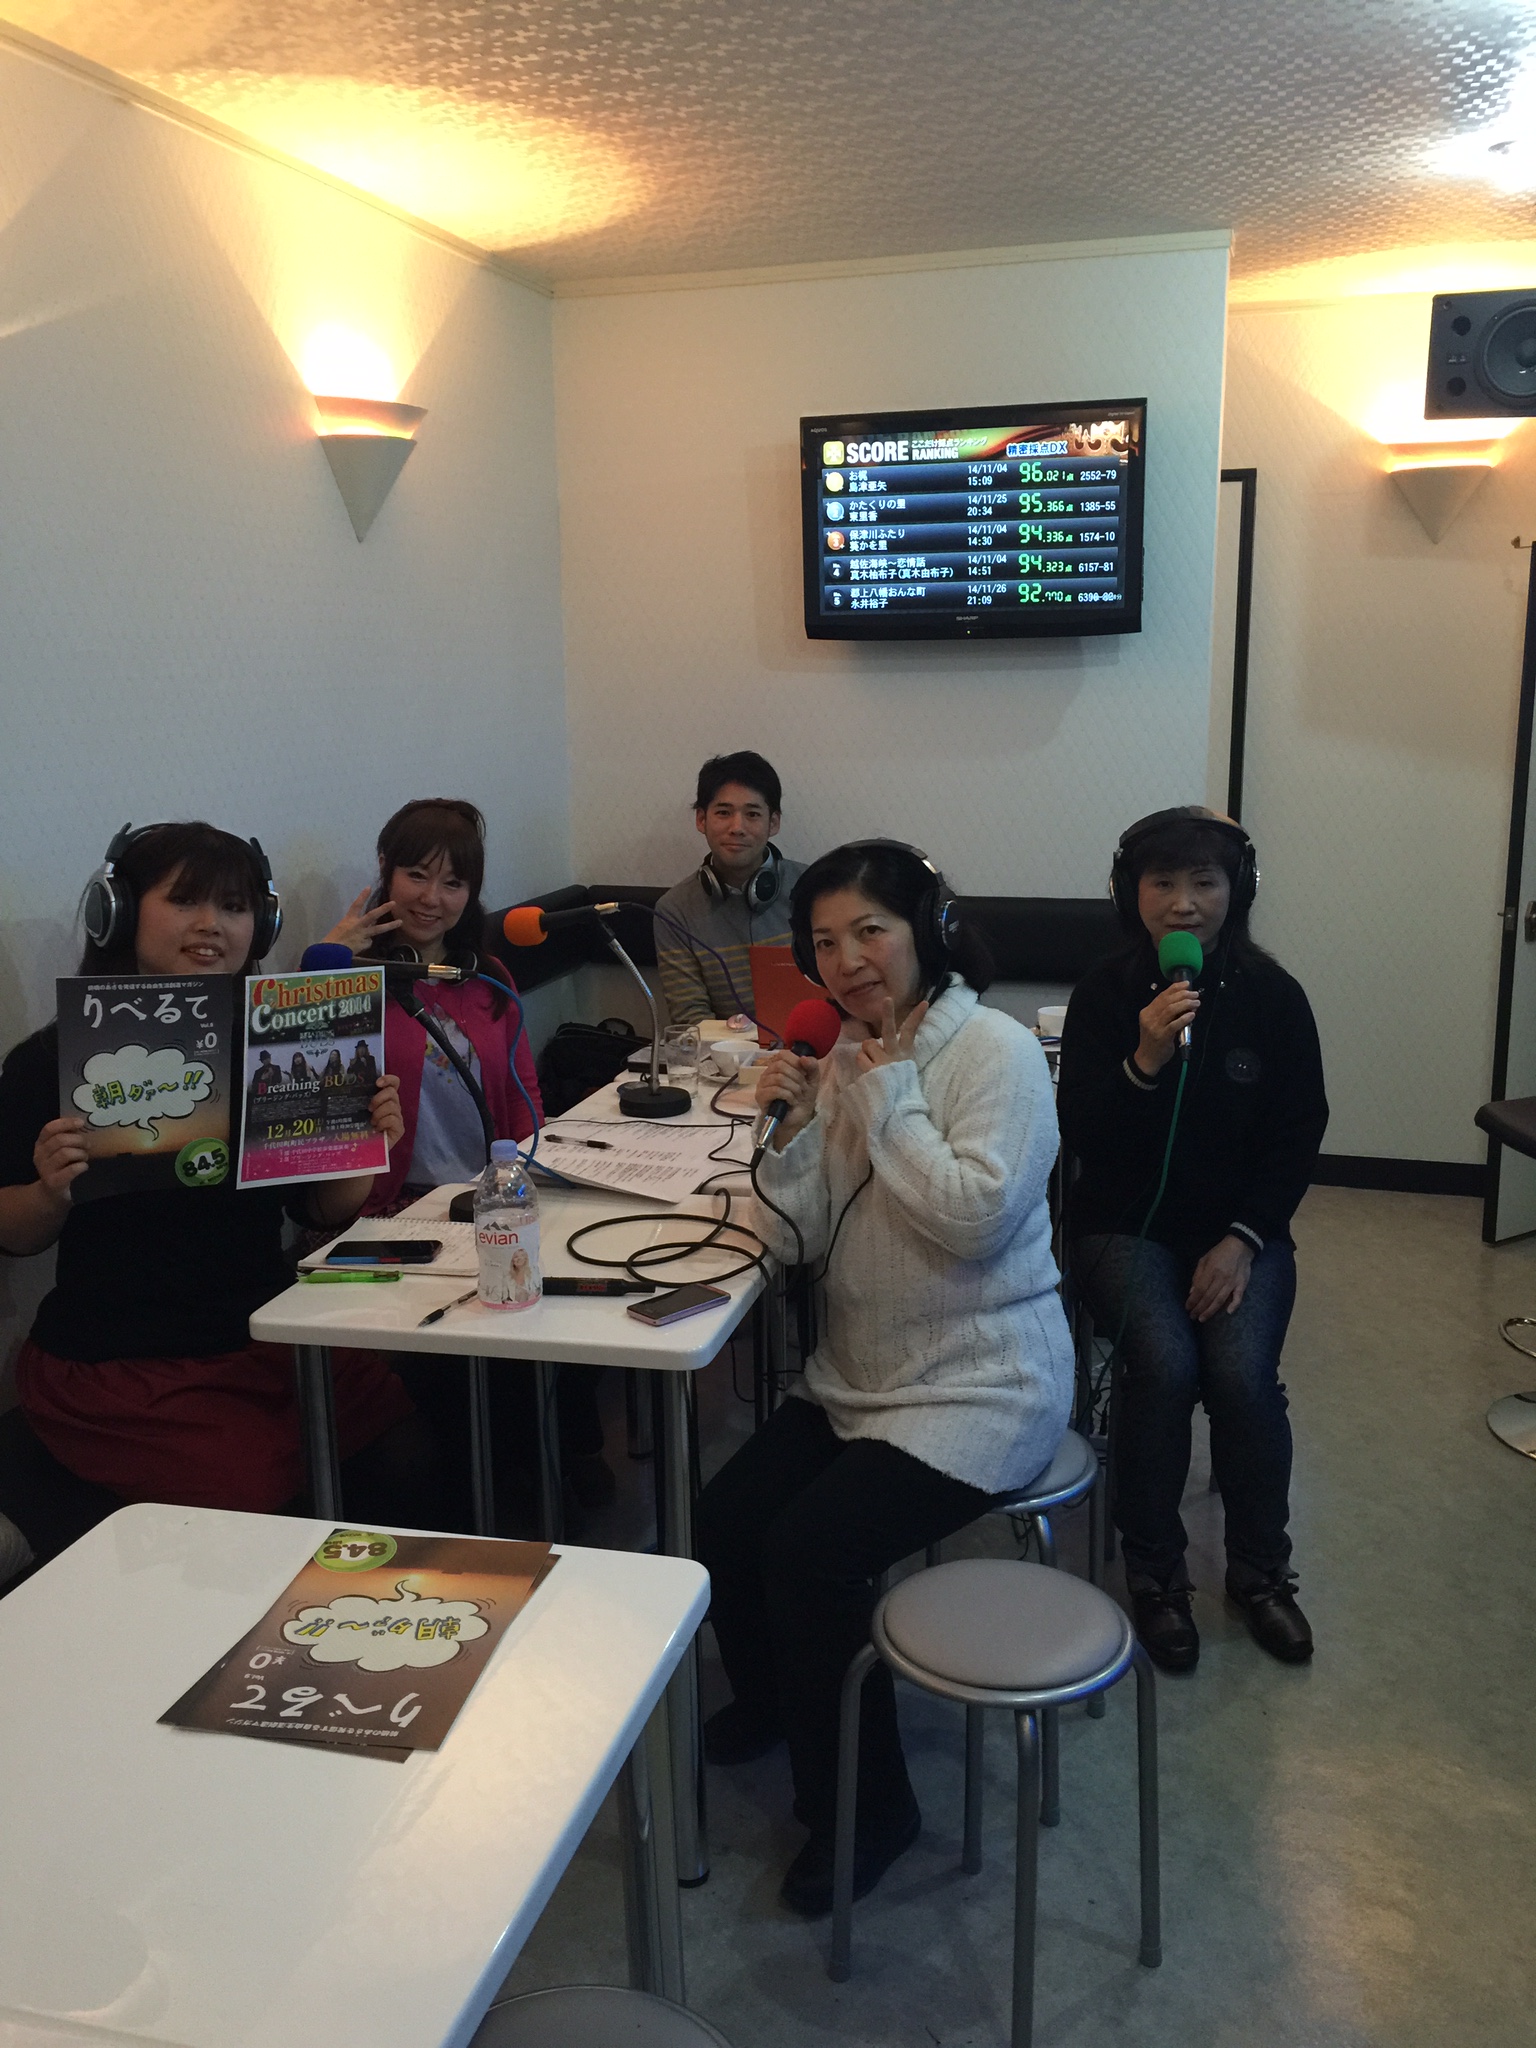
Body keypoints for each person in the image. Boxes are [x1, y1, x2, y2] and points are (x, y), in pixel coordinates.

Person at [695, 840, 1072, 1917]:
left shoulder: (994, 1052)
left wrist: (887, 1095)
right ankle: (782, 1701)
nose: (847, 958)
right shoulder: (854, 1054)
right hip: (864, 1375)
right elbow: (800, 1239)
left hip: (982, 1386)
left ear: (929, 930)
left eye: (870, 930)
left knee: (810, 1555)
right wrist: (789, 1130)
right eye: (824, 941)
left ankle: (871, 1810)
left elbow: (972, 1219)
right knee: (727, 1517)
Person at [0, 822, 435, 1562]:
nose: (212, 925)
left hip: (263, 1334)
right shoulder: (49, 1059)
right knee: (254, 1502)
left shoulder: (282, 1041)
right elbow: (15, 1235)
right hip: (119, 1364)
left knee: (406, 1445)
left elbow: (318, 1209)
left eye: (234, 907)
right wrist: (50, 1189)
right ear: (118, 912)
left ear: (261, 924)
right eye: (185, 901)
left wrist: (365, 1149)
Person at [1056, 806, 1328, 1674]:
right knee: (1166, 1365)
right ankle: (1157, 1577)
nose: (1183, 902)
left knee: (1242, 1376)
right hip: (1123, 1226)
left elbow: (1298, 1132)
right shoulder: (1104, 995)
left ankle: (1261, 1574)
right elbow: (1080, 1133)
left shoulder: (1275, 998)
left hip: (1241, 1232)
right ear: (1128, 893)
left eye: (1204, 882)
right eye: (1163, 882)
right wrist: (1142, 1060)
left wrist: (1243, 1239)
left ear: (1236, 890)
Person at [323, 799, 610, 1520]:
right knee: (463, 1362)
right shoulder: (348, 981)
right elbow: (296, 1070)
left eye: (453, 883)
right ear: (385, 873)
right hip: (390, 1214)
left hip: (490, 1196)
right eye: (416, 875)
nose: (432, 898)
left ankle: (559, 1463)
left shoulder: (486, 976)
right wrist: (326, 960)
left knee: (556, 1313)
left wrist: (532, 1177)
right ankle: (501, 1493)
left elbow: (522, 1089)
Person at [654, 751, 806, 1025]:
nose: (737, 827)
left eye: (752, 814)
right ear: (701, 820)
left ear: (773, 823)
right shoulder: (674, 910)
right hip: (725, 1050)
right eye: (724, 813)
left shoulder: (813, 888)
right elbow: (692, 1019)